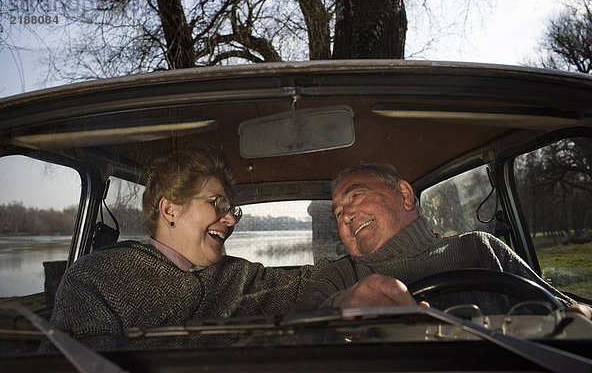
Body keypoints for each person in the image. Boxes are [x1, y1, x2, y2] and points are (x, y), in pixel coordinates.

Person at [41, 146, 325, 351]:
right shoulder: (96, 278)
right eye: (218, 204)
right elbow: (78, 360)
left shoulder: (238, 277)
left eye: (232, 210)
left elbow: (308, 285)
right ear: (170, 210)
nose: (230, 219)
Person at [298, 163, 592, 318]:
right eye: (337, 214)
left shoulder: (478, 248)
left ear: (404, 195)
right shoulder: (336, 276)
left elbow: (565, 308)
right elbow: (302, 328)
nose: (346, 215)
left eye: (356, 196)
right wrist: (338, 308)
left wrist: (578, 313)